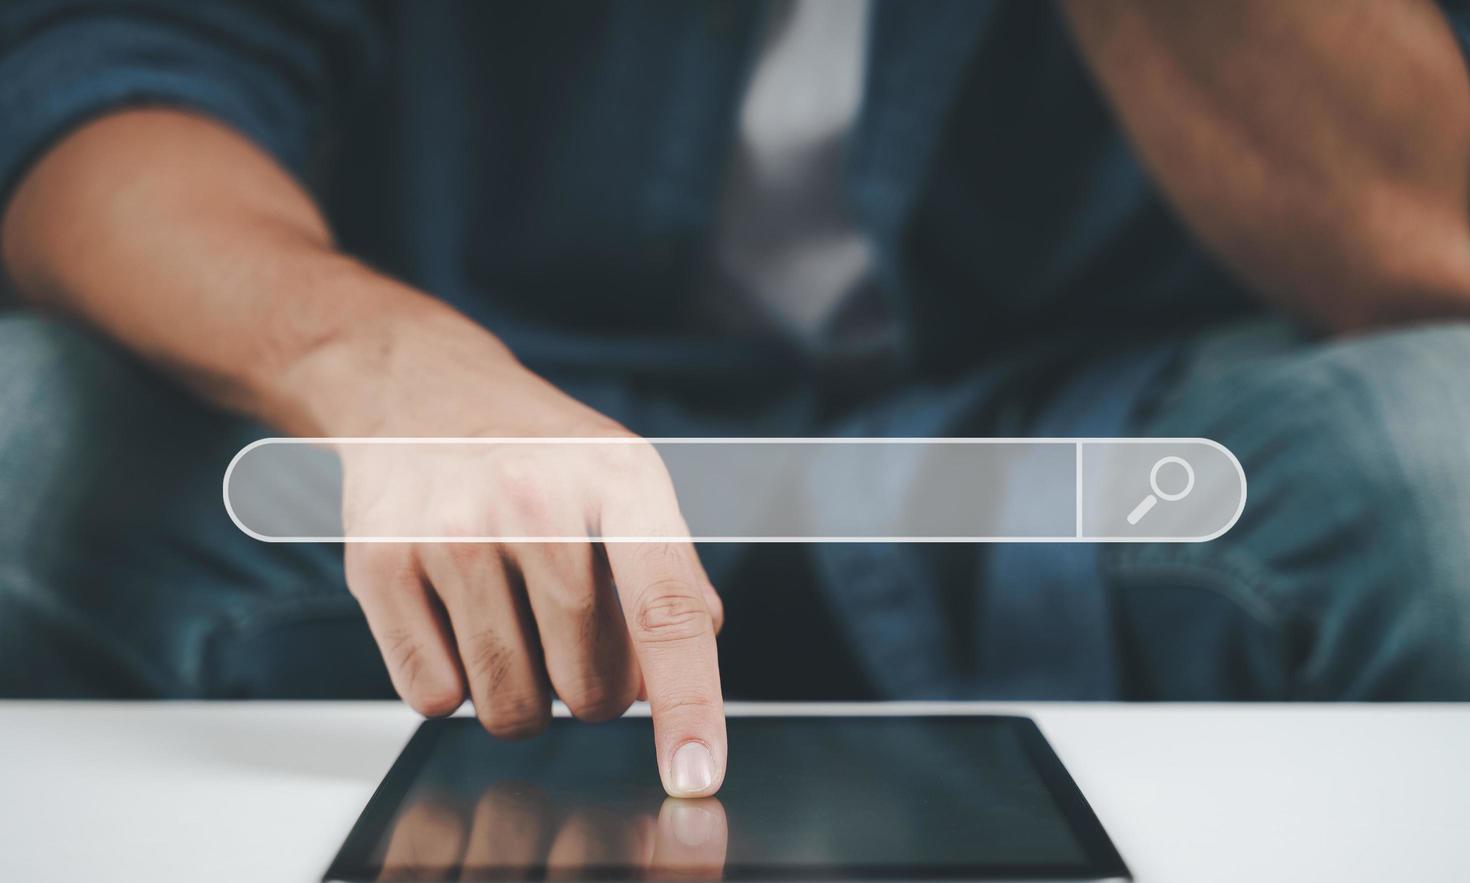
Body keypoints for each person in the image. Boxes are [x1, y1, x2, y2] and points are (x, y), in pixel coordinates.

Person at [3, 1, 1470, 798]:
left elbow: (1424, 242)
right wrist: (390, 374)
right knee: (30, 443)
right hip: (497, 463)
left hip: (1081, 467)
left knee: (1447, 453)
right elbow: (95, 99)